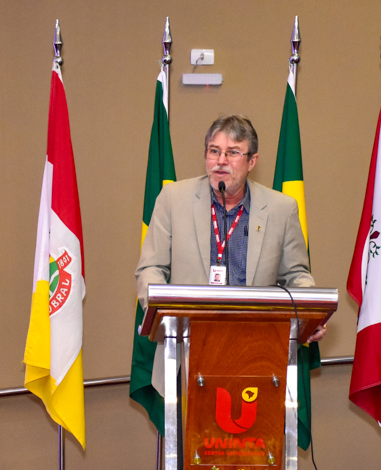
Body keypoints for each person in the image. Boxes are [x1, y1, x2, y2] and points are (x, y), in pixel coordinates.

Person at [135, 114, 327, 343]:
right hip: (184, 344)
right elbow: (151, 268)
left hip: (257, 346)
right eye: (214, 151)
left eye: (233, 152)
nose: (221, 160)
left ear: (252, 162)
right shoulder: (173, 199)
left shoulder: (281, 209)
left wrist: (311, 315)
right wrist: (162, 313)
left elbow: (295, 275)